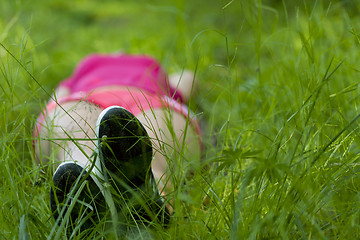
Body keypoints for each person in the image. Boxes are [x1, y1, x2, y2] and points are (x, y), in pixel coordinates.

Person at [33, 54, 202, 237]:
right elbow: (188, 79)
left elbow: (56, 97)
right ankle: (139, 203)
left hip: (146, 99)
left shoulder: (90, 64)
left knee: (146, 155)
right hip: (92, 97)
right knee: (150, 157)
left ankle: (96, 198)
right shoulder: (146, 65)